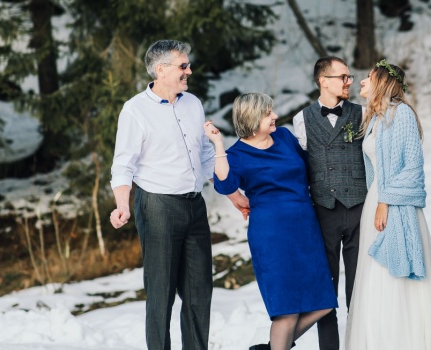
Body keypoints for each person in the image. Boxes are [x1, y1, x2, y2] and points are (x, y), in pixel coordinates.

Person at [208, 93, 337, 350]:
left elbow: (312, 166)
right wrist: (218, 145)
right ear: (252, 119)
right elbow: (224, 184)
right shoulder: (236, 155)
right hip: (272, 236)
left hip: (305, 230)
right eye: (268, 113)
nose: (275, 116)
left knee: (324, 303)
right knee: (286, 311)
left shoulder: (284, 137)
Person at [109, 39, 216, 350]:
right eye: (183, 66)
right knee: (161, 292)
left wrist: (233, 193)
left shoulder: (193, 103)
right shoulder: (135, 110)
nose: (189, 71)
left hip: (195, 206)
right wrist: (122, 205)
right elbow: (123, 163)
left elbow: (205, 154)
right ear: (160, 70)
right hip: (157, 206)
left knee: (199, 293)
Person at [344, 59, 431, 349]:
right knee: (374, 278)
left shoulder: (401, 114)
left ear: (381, 82)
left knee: (392, 276)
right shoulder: (375, 120)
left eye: (367, 78)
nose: (361, 83)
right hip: (377, 202)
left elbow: (413, 166)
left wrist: (386, 201)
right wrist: (378, 201)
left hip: (395, 204)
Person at [291, 56, 368, 350]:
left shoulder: (362, 113)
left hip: (360, 208)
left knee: (359, 287)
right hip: (323, 211)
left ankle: (360, 343)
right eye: (343, 77)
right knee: (326, 288)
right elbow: (300, 168)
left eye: (349, 77)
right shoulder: (301, 119)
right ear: (324, 81)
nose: (349, 82)